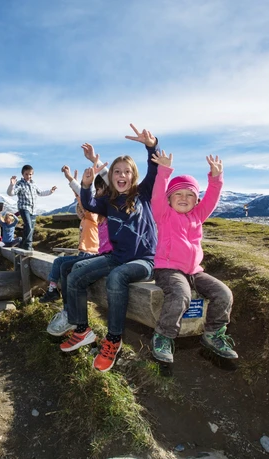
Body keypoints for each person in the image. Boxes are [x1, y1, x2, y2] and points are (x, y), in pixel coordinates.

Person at [59, 124, 159, 372]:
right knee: (75, 275)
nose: (121, 175)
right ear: (112, 177)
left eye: (127, 171)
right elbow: (90, 205)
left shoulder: (143, 193)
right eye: (117, 171)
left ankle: (113, 339)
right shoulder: (109, 200)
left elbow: (155, 168)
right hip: (117, 256)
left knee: (117, 276)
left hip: (144, 260)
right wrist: (85, 185)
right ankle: (82, 329)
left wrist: (151, 146)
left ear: (133, 175)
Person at [149, 149, 237, 364]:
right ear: (169, 198)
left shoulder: (198, 215)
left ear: (196, 200)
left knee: (224, 293)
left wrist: (216, 177)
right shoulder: (163, 214)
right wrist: (164, 171)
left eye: (190, 195)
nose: (184, 198)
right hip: (168, 269)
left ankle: (213, 334)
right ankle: (163, 337)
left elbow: (212, 197)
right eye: (178, 194)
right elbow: (157, 194)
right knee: (181, 294)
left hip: (194, 271)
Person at [44, 159, 111, 337]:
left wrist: (73, 182)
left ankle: (71, 314)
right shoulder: (87, 218)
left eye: (100, 190)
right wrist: (76, 188)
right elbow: (82, 202)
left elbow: (84, 201)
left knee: (69, 268)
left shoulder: (93, 215)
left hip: (93, 254)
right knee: (63, 264)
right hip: (91, 254)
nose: (81, 211)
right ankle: (67, 310)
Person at [7, 165, 57, 251]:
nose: (28, 176)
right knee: (29, 226)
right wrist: (11, 185)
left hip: (33, 210)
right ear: (23, 174)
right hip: (24, 208)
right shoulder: (20, 184)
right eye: (26, 174)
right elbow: (11, 193)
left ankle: (23, 245)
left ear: (32, 174)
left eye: (30, 174)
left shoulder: (33, 184)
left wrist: (50, 191)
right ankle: (28, 246)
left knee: (31, 228)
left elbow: (40, 193)